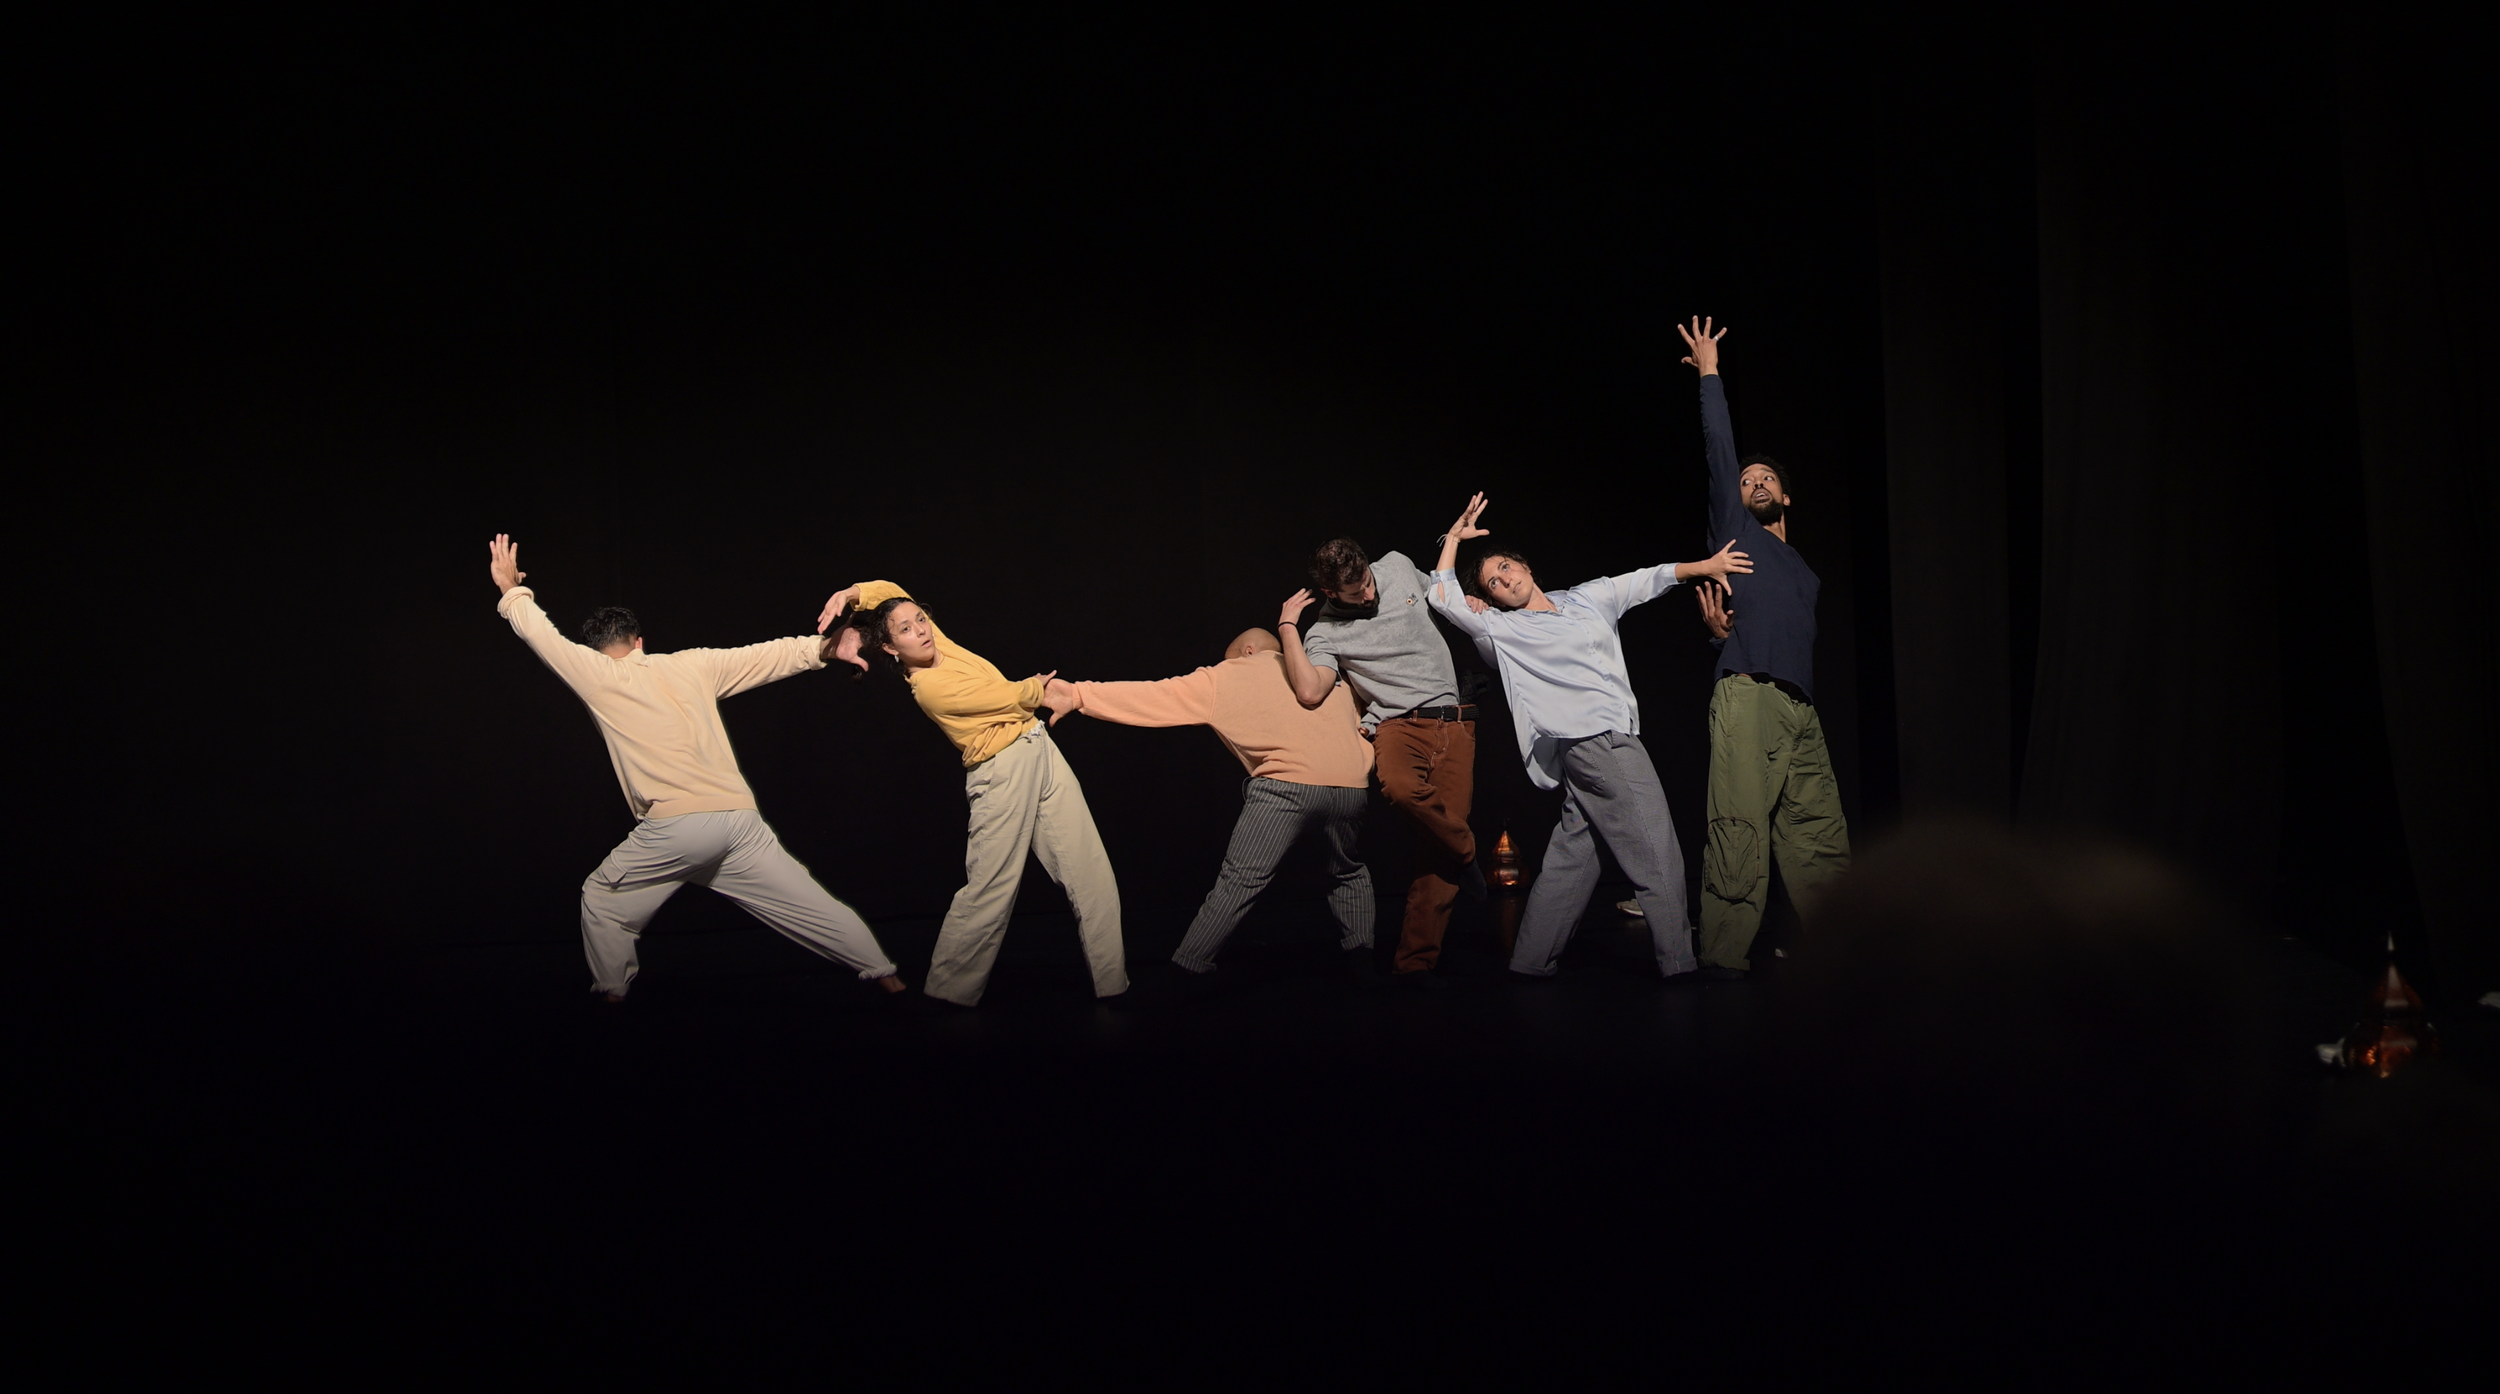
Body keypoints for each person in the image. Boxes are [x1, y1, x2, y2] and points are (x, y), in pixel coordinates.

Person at [485, 534, 904, 1003]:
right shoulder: (692, 665)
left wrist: (511, 591)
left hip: (678, 826)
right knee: (807, 903)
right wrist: (825, 649)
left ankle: (611, 997)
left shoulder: (597, 674)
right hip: (739, 822)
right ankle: (887, 975)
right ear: (640, 642)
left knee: (602, 897)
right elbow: (767, 656)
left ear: (596, 650)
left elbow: (541, 636)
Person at [1425, 494, 1751, 979]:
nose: (1504, 579)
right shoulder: (1503, 629)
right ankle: (1680, 965)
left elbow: (1647, 579)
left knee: (1575, 855)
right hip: (1599, 743)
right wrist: (1453, 538)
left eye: (1507, 567)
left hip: (1599, 746)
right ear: (1491, 598)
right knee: (1655, 846)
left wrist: (1705, 564)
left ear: (1526, 567)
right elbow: (1442, 595)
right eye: (1493, 582)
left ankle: (1531, 962)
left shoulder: (1586, 597)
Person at [1043, 602, 1378, 995]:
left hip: (1286, 790)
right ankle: (1365, 966)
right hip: (1352, 789)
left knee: (1239, 881)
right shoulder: (1325, 672)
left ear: (1248, 652)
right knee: (1347, 870)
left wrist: (1079, 695)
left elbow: (1156, 697)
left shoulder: (1230, 674)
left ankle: (1183, 972)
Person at [820, 581, 1126, 1007]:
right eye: (905, 630)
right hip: (1001, 771)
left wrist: (853, 594)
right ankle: (946, 997)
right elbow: (1002, 697)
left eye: (921, 620)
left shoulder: (938, 642)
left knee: (1091, 871)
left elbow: (891, 591)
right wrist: (1039, 689)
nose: (921, 631)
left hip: (1038, 747)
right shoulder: (929, 686)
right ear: (890, 649)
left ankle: (1114, 987)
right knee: (990, 890)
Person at [1678, 316, 1854, 979]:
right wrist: (1709, 372)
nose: (1752, 483)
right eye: (1747, 480)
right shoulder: (1736, 535)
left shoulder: (1804, 568)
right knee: (1739, 827)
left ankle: (1839, 947)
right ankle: (1723, 957)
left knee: (1818, 833)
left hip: (1799, 705)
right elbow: (1719, 449)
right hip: (1748, 693)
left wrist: (1720, 628)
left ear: (1785, 496)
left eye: (1764, 480)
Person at [1280, 534, 1479, 985]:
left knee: (1436, 853)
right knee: (1401, 788)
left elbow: (1440, 592)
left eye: (1368, 582)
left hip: (1456, 719)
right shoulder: (1325, 632)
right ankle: (1468, 852)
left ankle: (1413, 966)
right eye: (1356, 593)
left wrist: (1471, 601)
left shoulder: (1396, 565)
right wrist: (1288, 626)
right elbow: (1310, 691)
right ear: (1331, 594)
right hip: (1397, 725)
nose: (1369, 594)